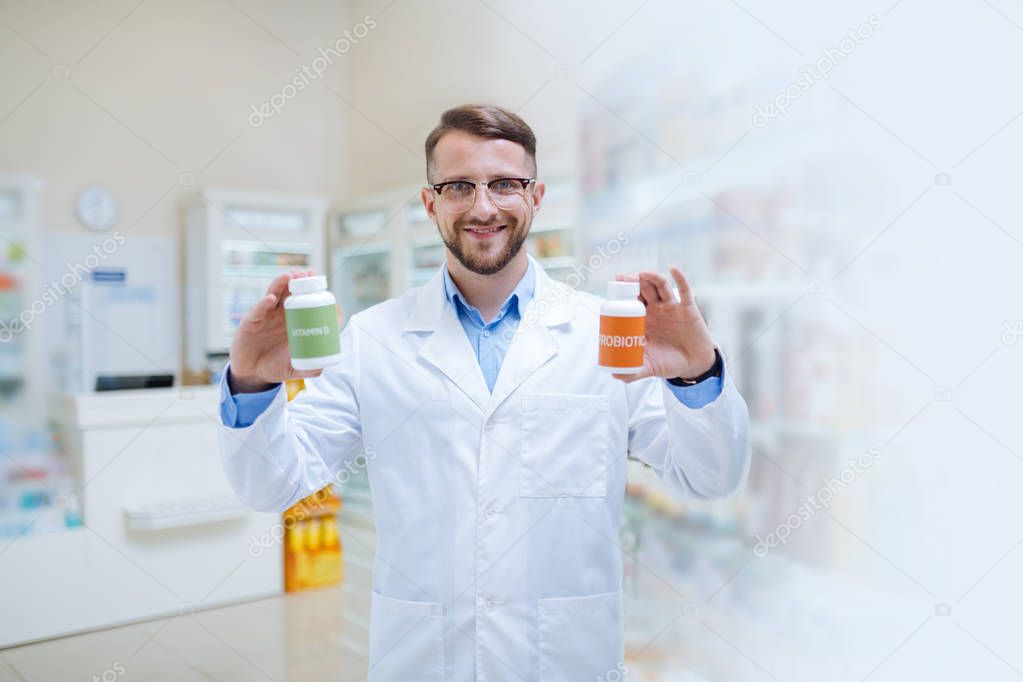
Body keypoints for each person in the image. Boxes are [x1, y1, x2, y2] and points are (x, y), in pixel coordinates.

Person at [218, 104, 751, 681]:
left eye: (504, 184)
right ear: (431, 203)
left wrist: (695, 374)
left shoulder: (609, 337)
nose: (483, 206)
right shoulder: (373, 340)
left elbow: (710, 477)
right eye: (458, 187)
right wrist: (253, 383)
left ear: (536, 197)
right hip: (424, 659)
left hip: (565, 658)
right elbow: (272, 486)